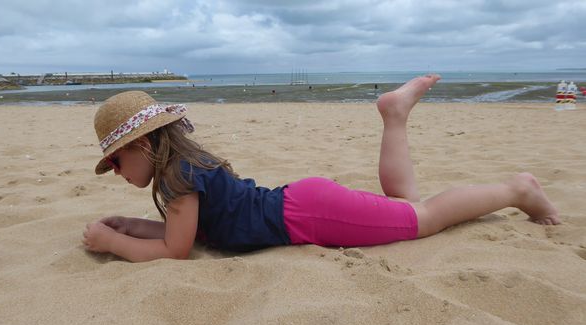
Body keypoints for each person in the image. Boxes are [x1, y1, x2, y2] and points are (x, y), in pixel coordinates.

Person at [82, 75, 560, 262]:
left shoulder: (178, 180)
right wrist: (136, 225)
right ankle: (394, 116)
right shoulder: (184, 170)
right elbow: (187, 234)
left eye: (117, 161)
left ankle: (518, 189)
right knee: (407, 205)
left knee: (426, 217)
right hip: (303, 203)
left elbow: (176, 251)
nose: (119, 173)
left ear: (143, 143)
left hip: (308, 214)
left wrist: (113, 242)